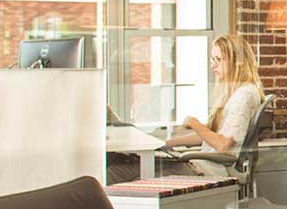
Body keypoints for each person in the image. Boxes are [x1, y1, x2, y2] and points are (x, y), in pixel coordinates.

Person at [106, 33, 264, 183]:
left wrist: (195, 123)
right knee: (115, 171)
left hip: (209, 169)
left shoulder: (245, 95)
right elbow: (207, 136)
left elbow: (222, 145)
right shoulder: (235, 93)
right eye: (212, 59)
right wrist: (165, 143)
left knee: (123, 175)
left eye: (218, 59)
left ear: (237, 62)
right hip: (200, 163)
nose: (213, 65)